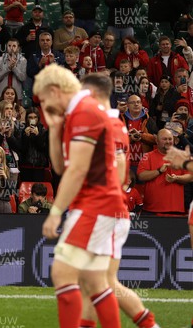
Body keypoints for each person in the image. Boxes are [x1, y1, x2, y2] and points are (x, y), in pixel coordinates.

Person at [34, 64, 127, 328]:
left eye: (44, 99)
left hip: (96, 204)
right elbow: (61, 167)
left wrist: (54, 212)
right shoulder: (77, 113)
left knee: (62, 273)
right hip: (98, 204)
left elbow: (77, 170)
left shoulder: (84, 112)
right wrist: (54, 129)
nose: (44, 106)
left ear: (55, 90)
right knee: (95, 282)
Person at [80, 73, 160, 328]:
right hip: (106, 210)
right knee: (96, 280)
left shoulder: (106, 127)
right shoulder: (113, 125)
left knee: (99, 280)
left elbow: (112, 168)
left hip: (106, 211)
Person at [137, 128, 192, 215]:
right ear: (157, 140)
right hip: (151, 210)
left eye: (170, 139)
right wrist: (159, 171)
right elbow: (141, 176)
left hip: (176, 209)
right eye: (164, 139)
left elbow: (190, 177)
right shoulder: (148, 156)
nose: (168, 141)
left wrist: (176, 178)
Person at [19, 108, 49, 182]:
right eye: (30, 117)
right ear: (27, 118)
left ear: (38, 118)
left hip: (39, 166)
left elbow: (44, 148)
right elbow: (22, 149)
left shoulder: (43, 130)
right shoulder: (22, 130)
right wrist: (26, 136)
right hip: (25, 165)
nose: (33, 119)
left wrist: (38, 136)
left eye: (35, 117)